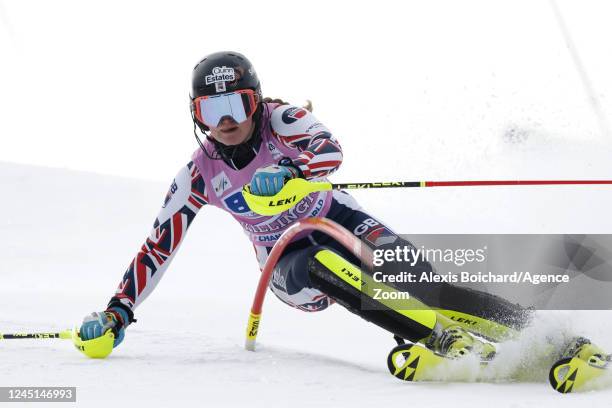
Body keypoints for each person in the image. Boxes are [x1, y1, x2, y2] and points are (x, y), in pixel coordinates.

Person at [79, 51, 529, 359]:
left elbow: (330, 149)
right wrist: (118, 311)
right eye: (212, 112)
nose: (228, 121)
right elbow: (158, 248)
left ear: (257, 101)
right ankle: (443, 341)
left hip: (335, 217)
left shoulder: (283, 119)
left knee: (412, 274)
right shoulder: (199, 175)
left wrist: (295, 172)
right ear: (196, 116)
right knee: (323, 262)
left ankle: (535, 333)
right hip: (288, 264)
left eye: (238, 104)